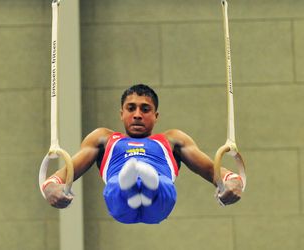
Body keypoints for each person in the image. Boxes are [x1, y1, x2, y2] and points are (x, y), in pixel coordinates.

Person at [41, 84, 243, 224]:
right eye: (131, 108)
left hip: (160, 200)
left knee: (162, 185)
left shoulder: (173, 139)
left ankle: (149, 184)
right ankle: (134, 184)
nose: (137, 114)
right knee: (116, 186)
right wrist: (51, 188)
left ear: (155, 116)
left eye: (145, 109)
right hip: (120, 200)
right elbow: (65, 173)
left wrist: (232, 181)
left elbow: (211, 169)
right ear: (121, 113)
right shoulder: (103, 138)